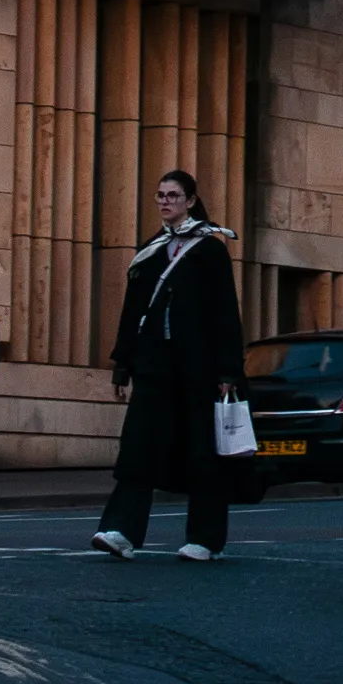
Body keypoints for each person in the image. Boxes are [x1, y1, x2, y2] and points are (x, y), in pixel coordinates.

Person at [91, 169, 244, 563]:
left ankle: (205, 539)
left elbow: (226, 312)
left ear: (190, 201)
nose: (165, 201)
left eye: (173, 195)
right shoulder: (152, 250)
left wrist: (228, 371)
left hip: (198, 368)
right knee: (138, 446)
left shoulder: (210, 249)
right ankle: (121, 531)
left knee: (203, 451)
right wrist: (123, 364)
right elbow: (133, 310)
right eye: (160, 195)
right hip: (154, 365)